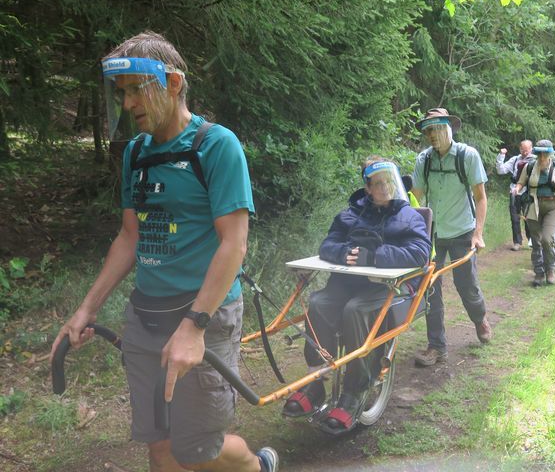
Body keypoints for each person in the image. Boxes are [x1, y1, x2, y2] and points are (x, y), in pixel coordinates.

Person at [50, 32, 279, 472]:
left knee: (198, 449)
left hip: (204, 317)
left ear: (173, 84)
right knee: (159, 447)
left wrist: (194, 326)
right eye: (121, 93)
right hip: (146, 317)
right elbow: (129, 237)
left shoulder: (216, 145)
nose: (128, 103)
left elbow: (234, 242)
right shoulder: (135, 152)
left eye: (138, 89)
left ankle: (257, 466)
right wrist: (86, 310)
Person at [282, 157, 431, 434]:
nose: (385, 187)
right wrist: (342, 254)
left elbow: (420, 253)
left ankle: (354, 392)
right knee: (319, 303)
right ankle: (317, 380)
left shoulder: (409, 215)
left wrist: (374, 257)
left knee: (355, 310)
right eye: (378, 182)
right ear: (367, 188)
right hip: (348, 282)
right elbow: (328, 244)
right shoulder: (350, 214)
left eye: (389, 180)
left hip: (387, 287)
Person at [410, 108, 492, 368]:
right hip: (433, 234)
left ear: (449, 128)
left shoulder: (467, 156)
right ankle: (437, 347)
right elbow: (416, 198)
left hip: (462, 232)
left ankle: (479, 318)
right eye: (428, 130)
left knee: (466, 285)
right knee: (430, 289)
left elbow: (480, 198)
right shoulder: (424, 160)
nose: (432, 135)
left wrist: (478, 234)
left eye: (436, 129)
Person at [514, 139, 555, 286]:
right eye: (540, 153)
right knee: (536, 241)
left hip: (552, 206)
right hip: (534, 206)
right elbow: (521, 182)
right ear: (537, 153)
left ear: (550, 154)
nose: (542, 157)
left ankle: (550, 269)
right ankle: (539, 273)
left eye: (545, 153)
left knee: (547, 239)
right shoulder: (530, 166)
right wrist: (517, 189)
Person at [496, 140, 535, 251]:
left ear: (531, 148)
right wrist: (501, 155)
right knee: (514, 218)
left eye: (527, 150)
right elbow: (500, 170)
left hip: (528, 192)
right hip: (514, 192)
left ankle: (532, 240)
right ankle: (517, 242)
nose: (525, 152)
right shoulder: (514, 160)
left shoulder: (535, 161)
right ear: (520, 148)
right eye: (523, 149)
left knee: (529, 218)